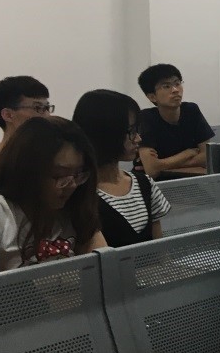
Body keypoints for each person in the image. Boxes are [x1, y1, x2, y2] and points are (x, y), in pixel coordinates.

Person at [0, 116, 105, 278]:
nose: (71, 185)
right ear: (26, 171)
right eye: (59, 175)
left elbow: (107, 271)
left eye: (78, 175)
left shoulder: (75, 206)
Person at [73, 89, 171, 247]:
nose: (138, 138)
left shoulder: (145, 184)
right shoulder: (80, 193)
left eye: (137, 130)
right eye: (131, 131)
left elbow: (159, 249)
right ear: (105, 133)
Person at [136, 64, 214, 180]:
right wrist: (187, 154)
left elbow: (207, 158)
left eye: (177, 83)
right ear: (152, 97)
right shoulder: (146, 118)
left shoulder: (191, 110)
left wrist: (161, 164)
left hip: (191, 180)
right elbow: (152, 170)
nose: (175, 90)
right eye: (166, 86)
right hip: (155, 184)